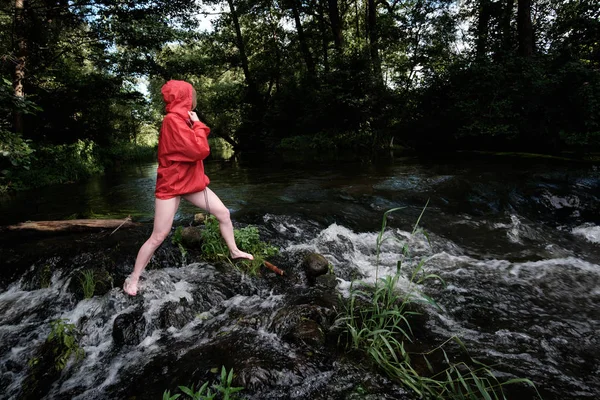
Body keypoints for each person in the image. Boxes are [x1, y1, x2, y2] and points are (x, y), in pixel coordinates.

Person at [123, 80, 253, 296]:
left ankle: (234, 251)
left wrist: (194, 124)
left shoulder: (182, 119)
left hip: (191, 182)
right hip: (172, 185)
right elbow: (198, 151)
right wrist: (199, 125)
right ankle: (133, 279)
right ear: (183, 97)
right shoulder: (172, 121)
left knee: (223, 213)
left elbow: (192, 149)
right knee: (158, 235)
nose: (194, 98)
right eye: (191, 94)